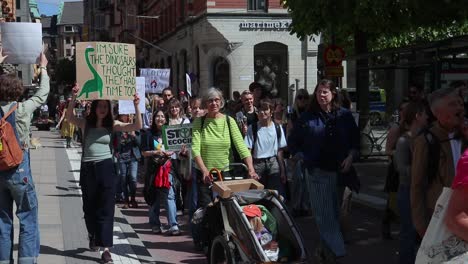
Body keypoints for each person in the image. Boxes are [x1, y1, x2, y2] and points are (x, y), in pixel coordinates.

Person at [66, 85, 142, 263]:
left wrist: (136, 105)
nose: (102, 109)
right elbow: (69, 117)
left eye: (105, 106)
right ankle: (93, 234)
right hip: (88, 168)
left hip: (106, 167)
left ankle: (106, 248)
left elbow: (137, 125)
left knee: (106, 208)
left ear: (109, 109)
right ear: (94, 108)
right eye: (99, 106)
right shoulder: (86, 123)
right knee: (89, 207)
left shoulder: (112, 124)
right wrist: (73, 97)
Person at [288, 79, 359, 263]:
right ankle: (337, 253)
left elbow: (355, 141)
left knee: (334, 215)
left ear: (333, 93)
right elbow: (293, 142)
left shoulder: (344, 116)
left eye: (325, 92)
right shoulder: (307, 117)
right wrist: (301, 155)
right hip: (317, 173)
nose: (321, 95)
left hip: (341, 174)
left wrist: (351, 157)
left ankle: (323, 253)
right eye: (319, 91)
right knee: (324, 215)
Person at [191, 88, 258, 247]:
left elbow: (242, 147)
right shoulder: (199, 122)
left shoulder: (229, 121)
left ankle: (225, 241)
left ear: (221, 102)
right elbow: (195, 149)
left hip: (226, 173)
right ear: (206, 104)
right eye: (210, 101)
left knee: (227, 210)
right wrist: (204, 170)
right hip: (206, 174)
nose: (213, 103)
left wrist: (251, 169)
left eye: (216, 100)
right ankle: (207, 242)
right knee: (208, 210)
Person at [0, 51, 48, 264]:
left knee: (2, 221)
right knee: (28, 218)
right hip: (20, 170)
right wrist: (43, 67)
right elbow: (42, 93)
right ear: (18, 91)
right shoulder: (22, 109)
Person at [411, 87, 467, 239]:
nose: (459, 108)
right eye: (452, 104)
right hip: (439, 219)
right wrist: (422, 226)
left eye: (460, 103)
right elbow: (417, 185)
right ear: (437, 112)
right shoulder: (426, 140)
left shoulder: (464, 135)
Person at [394, 101, 428, 264]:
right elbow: (402, 168)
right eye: (425, 114)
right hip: (407, 190)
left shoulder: (426, 138)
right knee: (408, 230)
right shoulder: (404, 141)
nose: (428, 117)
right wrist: (422, 169)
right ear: (417, 116)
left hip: (423, 190)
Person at [142, 109, 181, 235]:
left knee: (170, 195)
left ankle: (173, 225)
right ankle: (155, 224)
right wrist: (155, 152)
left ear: (166, 119)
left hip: (167, 168)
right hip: (153, 169)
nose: (160, 118)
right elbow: (144, 152)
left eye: (162, 116)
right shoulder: (148, 134)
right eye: (157, 116)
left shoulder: (169, 132)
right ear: (153, 119)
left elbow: (175, 148)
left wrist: (173, 152)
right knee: (154, 197)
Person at [244, 99, 287, 193]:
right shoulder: (253, 128)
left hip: (273, 162)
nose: (262, 112)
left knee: (276, 193)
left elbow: (280, 151)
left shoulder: (277, 127)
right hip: (258, 164)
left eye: (265, 109)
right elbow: (248, 150)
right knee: (257, 193)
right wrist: (251, 170)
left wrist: (282, 171)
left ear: (271, 112)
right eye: (259, 110)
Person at [381, 100, 409, 239]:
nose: (406, 112)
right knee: (393, 200)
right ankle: (386, 222)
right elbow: (387, 150)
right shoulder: (396, 128)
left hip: (407, 168)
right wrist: (400, 152)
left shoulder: (413, 127)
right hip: (396, 170)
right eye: (403, 109)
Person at [115, 114, 141, 209]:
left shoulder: (135, 126)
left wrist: (134, 136)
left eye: (127, 114)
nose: (125, 116)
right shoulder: (117, 126)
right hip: (122, 157)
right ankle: (126, 200)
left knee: (133, 178)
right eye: (123, 114)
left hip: (133, 157)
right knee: (123, 178)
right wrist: (116, 151)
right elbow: (113, 140)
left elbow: (139, 143)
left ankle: (133, 199)